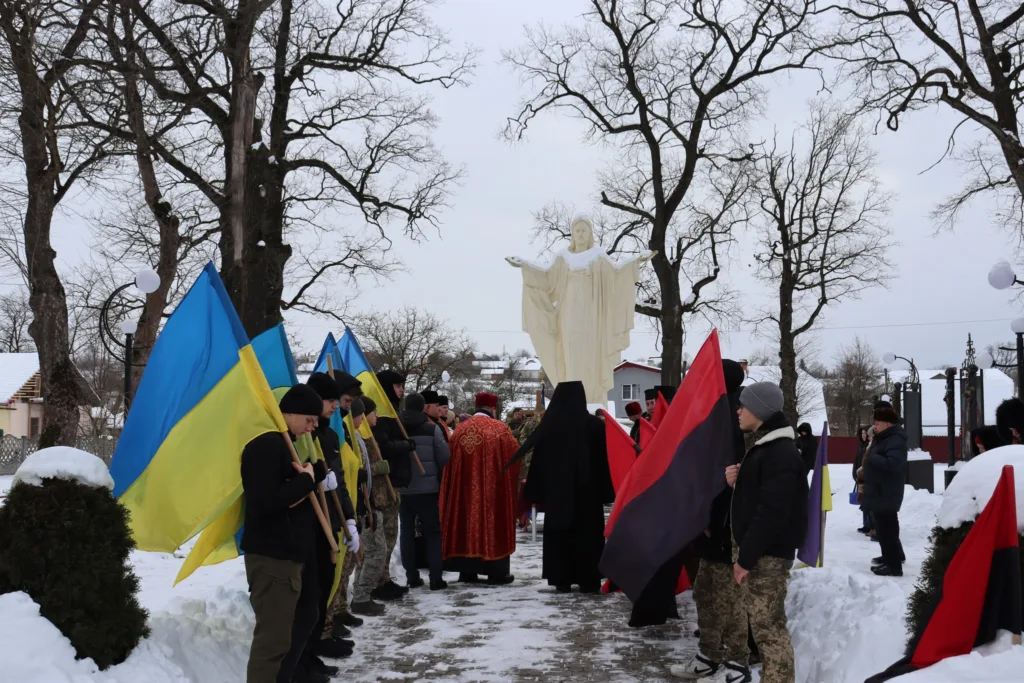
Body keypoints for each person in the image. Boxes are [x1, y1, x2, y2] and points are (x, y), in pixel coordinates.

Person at [240, 384, 325, 683]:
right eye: (309, 420)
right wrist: (305, 482)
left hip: (288, 556)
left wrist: (305, 479)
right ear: (290, 413)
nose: (312, 427)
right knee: (273, 642)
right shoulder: (265, 446)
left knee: (297, 626)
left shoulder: (283, 444)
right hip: (272, 557)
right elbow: (264, 503)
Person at [725, 381, 808, 683]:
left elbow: (772, 513)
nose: (738, 411)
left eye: (744, 406)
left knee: (769, 631)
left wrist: (745, 558)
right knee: (764, 629)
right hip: (761, 554)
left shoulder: (780, 453)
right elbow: (759, 499)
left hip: (767, 557)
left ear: (759, 410)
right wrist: (739, 480)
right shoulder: (765, 448)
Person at [671, 360, 748, 681]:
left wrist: (708, 516)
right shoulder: (714, 414)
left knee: (729, 598)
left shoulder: (736, 417)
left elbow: (723, 474)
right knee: (704, 593)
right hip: (709, 521)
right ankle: (710, 654)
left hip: (726, 526)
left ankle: (737, 661)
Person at [520, 380, 614, 593]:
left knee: (560, 537)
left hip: (557, 496)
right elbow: (604, 462)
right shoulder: (596, 426)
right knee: (588, 537)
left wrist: (536, 491)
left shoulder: (549, 428)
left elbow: (538, 464)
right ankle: (589, 580)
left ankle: (561, 579)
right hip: (588, 497)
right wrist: (606, 491)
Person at [302, 372, 360, 677]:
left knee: (324, 587)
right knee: (311, 595)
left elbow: (339, 483)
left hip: (331, 521)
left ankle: (315, 647)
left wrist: (348, 517)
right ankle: (306, 654)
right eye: (331, 400)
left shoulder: (327, 434)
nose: (336, 406)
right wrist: (313, 482)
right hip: (310, 525)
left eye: (338, 401)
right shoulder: (303, 435)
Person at [440, 393, 520, 585]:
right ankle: (496, 572)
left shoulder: (459, 431)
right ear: (493, 408)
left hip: (464, 492)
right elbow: (514, 458)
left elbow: (448, 464)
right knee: (492, 525)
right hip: (492, 493)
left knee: (465, 522)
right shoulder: (500, 430)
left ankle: (467, 572)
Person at [399, 392, 451, 590]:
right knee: (432, 533)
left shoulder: (398, 428)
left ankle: (411, 576)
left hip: (403, 489)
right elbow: (444, 456)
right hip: (428, 490)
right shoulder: (432, 429)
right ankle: (436, 578)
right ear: (423, 408)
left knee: (406, 532)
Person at [371, 369, 415, 598]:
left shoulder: (393, 412)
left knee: (390, 535)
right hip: (384, 484)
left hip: (395, 481)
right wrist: (407, 446)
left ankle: (384, 578)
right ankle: (377, 582)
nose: (402, 390)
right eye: (398, 386)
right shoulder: (381, 416)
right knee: (385, 536)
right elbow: (384, 447)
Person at [351, 397, 394, 614]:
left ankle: (361, 595)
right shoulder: (354, 437)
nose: (376, 416)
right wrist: (377, 468)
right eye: (372, 412)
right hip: (365, 503)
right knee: (376, 551)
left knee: (372, 551)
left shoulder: (363, 435)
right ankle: (360, 596)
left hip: (372, 501)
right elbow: (355, 470)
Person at [863, 404, 908, 577]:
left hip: (887, 491)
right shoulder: (884, 438)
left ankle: (894, 566)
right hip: (880, 490)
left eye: (878, 423)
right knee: (884, 527)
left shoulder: (895, 439)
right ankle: (890, 556)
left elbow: (894, 464)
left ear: (888, 424)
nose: (875, 426)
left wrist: (873, 457)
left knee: (887, 528)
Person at [852, 426, 873, 535]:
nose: (864, 435)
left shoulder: (869, 447)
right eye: (862, 433)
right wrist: (855, 474)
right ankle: (866, 525)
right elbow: (856, 462)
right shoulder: (861, 446)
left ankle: (870, 526)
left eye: (865, 433)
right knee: (864, 503)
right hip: (860, 477)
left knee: (868, 503)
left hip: (866, 477)